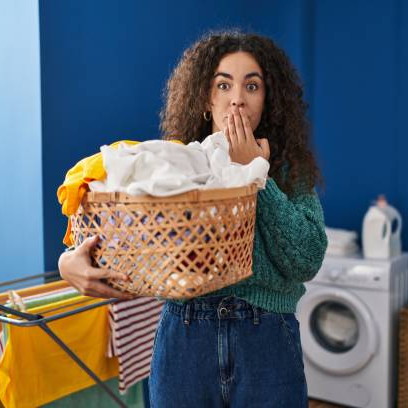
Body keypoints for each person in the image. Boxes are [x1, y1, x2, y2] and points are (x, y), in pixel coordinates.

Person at [58, 30, 328, 407]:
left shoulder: (286, 170)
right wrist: (68, 260)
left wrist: (256, 173)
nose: (237, 98)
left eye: (252, 86)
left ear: (268, 99)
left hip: (267, 339)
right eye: (223, 84)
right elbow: (120, 228)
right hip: (185, 340)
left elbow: (306, 257)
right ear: (205, 98)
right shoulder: (179, 165)